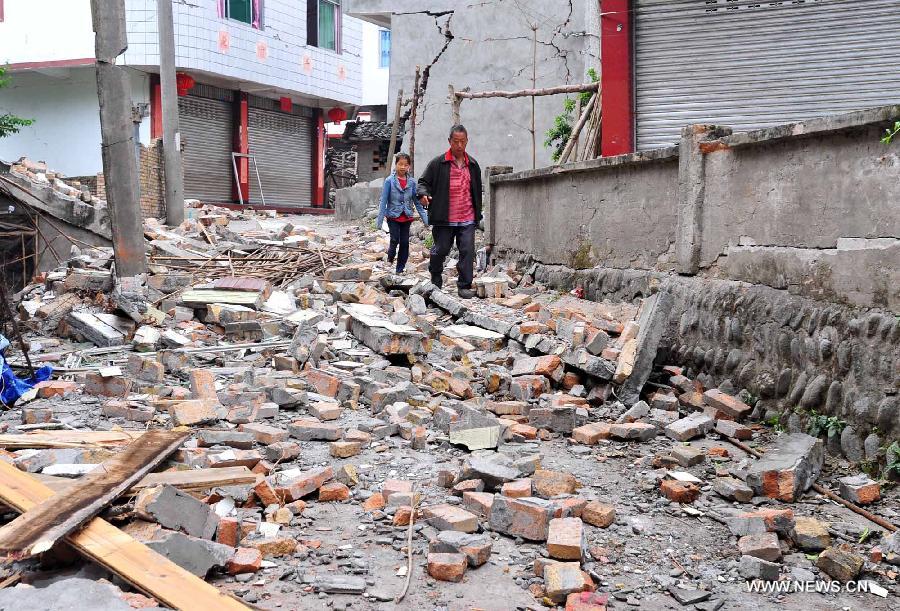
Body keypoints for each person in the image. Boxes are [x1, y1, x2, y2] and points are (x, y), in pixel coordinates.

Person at [417, 124, 483, 299]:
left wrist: (478, 214)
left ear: (467, 141)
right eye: (456, 141)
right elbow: (423, 182)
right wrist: (423, 195)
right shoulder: (438, 163)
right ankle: (436, 275)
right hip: (444, 217)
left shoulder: (473, 165)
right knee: (441, 249)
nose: (459, 145)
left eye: (462, 141)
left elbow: (476, 191)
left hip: (467, 217)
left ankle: (464, 285)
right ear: (449, 141)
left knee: (467, 251)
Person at [375, 152, 428, 274]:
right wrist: (379, 221)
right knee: (394, 239)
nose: (403, 167)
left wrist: (426, 220)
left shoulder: (412, 182)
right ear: (396, 165)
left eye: (406, 165)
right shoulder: (389, 181)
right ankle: (390, 258)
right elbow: (384, 201)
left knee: (404, 243)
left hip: (407, 216)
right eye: (400, 164)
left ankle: (400, 268)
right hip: (393, 216)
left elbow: (417, 202)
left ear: (409, 166)